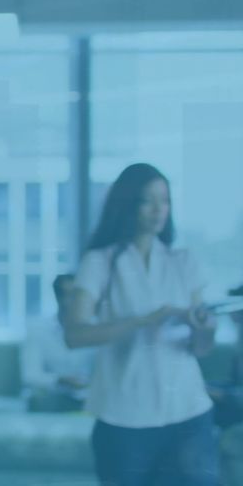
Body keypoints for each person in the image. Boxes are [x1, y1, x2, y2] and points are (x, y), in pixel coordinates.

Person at [63, 163, 218, 486]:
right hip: (124, 419)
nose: (159, 209)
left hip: (188, 413)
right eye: (148, 200)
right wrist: (144, 320)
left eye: (165, 200)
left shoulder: (184, 261)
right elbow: (75, 334)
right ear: (127, 203)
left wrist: (203, 326)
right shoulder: (99, 262)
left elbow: (201, 349)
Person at [21, 274, 96, 412]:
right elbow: (30, 375)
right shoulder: (37, 330)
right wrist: (60, 380)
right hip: (53, 398)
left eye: (76, 296)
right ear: (57, 297)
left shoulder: (97, 329)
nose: (71, 302)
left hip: (90, 399)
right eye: (66, 295)